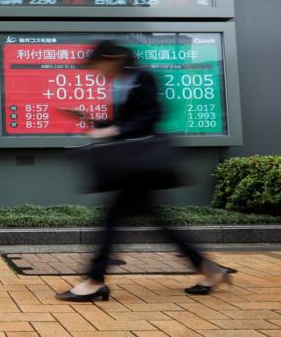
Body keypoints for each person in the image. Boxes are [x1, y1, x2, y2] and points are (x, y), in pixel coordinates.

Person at [55, 40, 231, 302]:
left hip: (142, 164)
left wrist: (112, 130)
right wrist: (89, 119)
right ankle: (208, 268)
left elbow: (150, 116)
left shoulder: (142, 77)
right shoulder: (120, 84)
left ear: (112, 58)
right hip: (136, 165)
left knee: (111, 221)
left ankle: (95, 280)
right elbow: (124, 123)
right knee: (158, 223)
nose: (96, 73)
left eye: (97, 66)